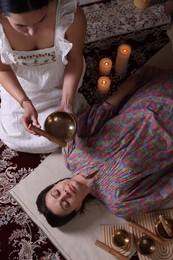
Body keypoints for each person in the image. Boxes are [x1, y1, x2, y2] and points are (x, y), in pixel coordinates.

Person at [36, 66, 173, 227]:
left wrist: (129, 85)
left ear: (55, 185)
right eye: (66, 204)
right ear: (77, 208)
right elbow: (165, 189)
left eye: (56, 193)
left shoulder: (72, 152)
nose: (65, 194)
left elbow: (103, 112)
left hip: (151, 98)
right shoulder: (119, 202)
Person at [0, 0, 87, 153]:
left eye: (41, 19)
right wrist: (25, 103)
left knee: (72, 125)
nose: (32, 32)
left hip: (61, 78)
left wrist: (67, 104)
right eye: (21, 25)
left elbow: (74, 59)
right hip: (22, 85)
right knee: (13, 136)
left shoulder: (70, 15)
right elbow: (3, 70)